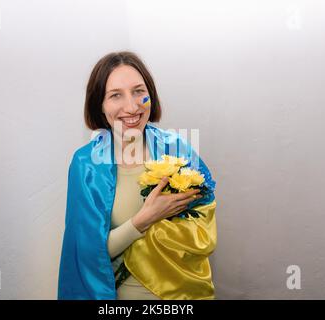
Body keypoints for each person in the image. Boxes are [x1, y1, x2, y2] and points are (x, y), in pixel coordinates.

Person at [58, 51, 218, 300]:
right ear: (100, 105)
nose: (131, 107)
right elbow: (84, 254)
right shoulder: (86, 164)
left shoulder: (177, 149)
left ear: (150, 96)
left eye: (138, 92)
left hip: (182, 297)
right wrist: (144, 220)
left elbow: (203, 224)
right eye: (115, 96)